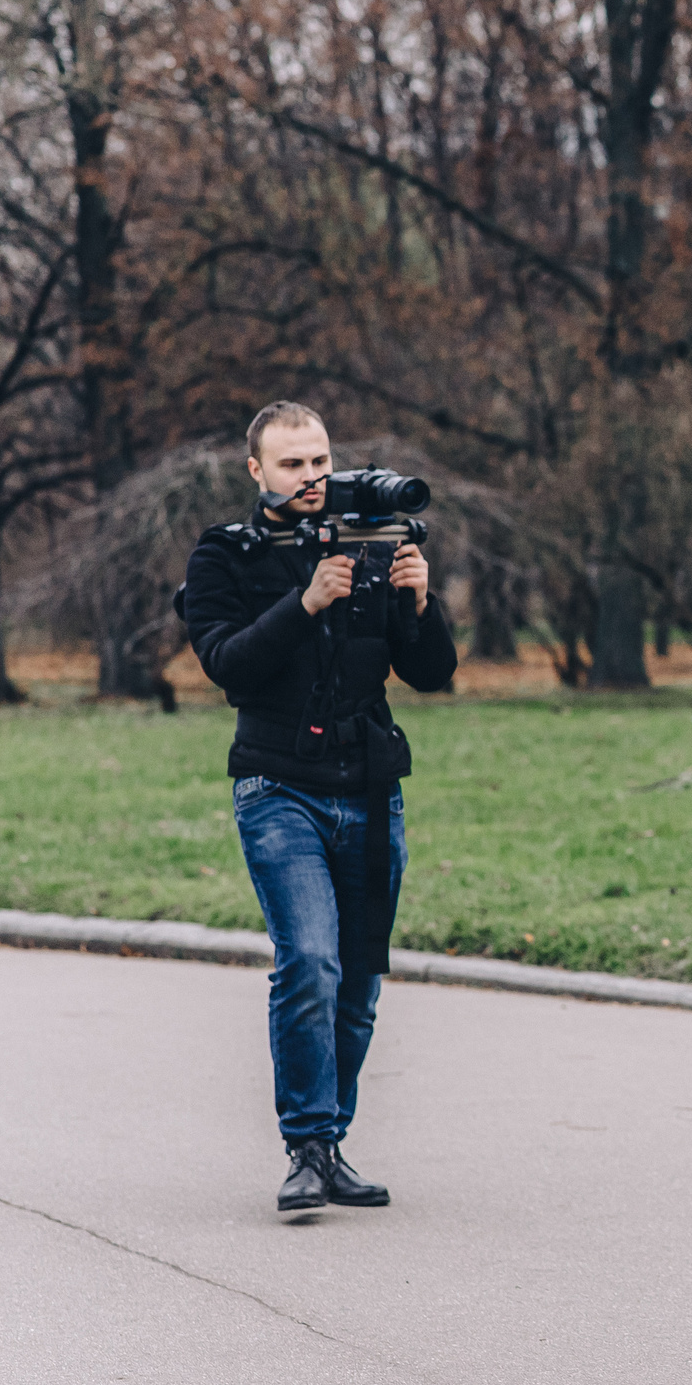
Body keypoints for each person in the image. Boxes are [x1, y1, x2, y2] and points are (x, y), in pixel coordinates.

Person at [183, 402, 457, 1214]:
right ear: (256, 471)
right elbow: (227, 663)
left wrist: (417, 602)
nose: (312, 477)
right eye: (294, 464)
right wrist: (304, 602)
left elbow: (432, 672)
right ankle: (304, 1146)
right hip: (277, 785)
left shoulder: (373, 546)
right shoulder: (223, 555)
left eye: (321, 461)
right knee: (310, 958)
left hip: (370, 786)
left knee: (359, 979)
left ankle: (330, 1142)